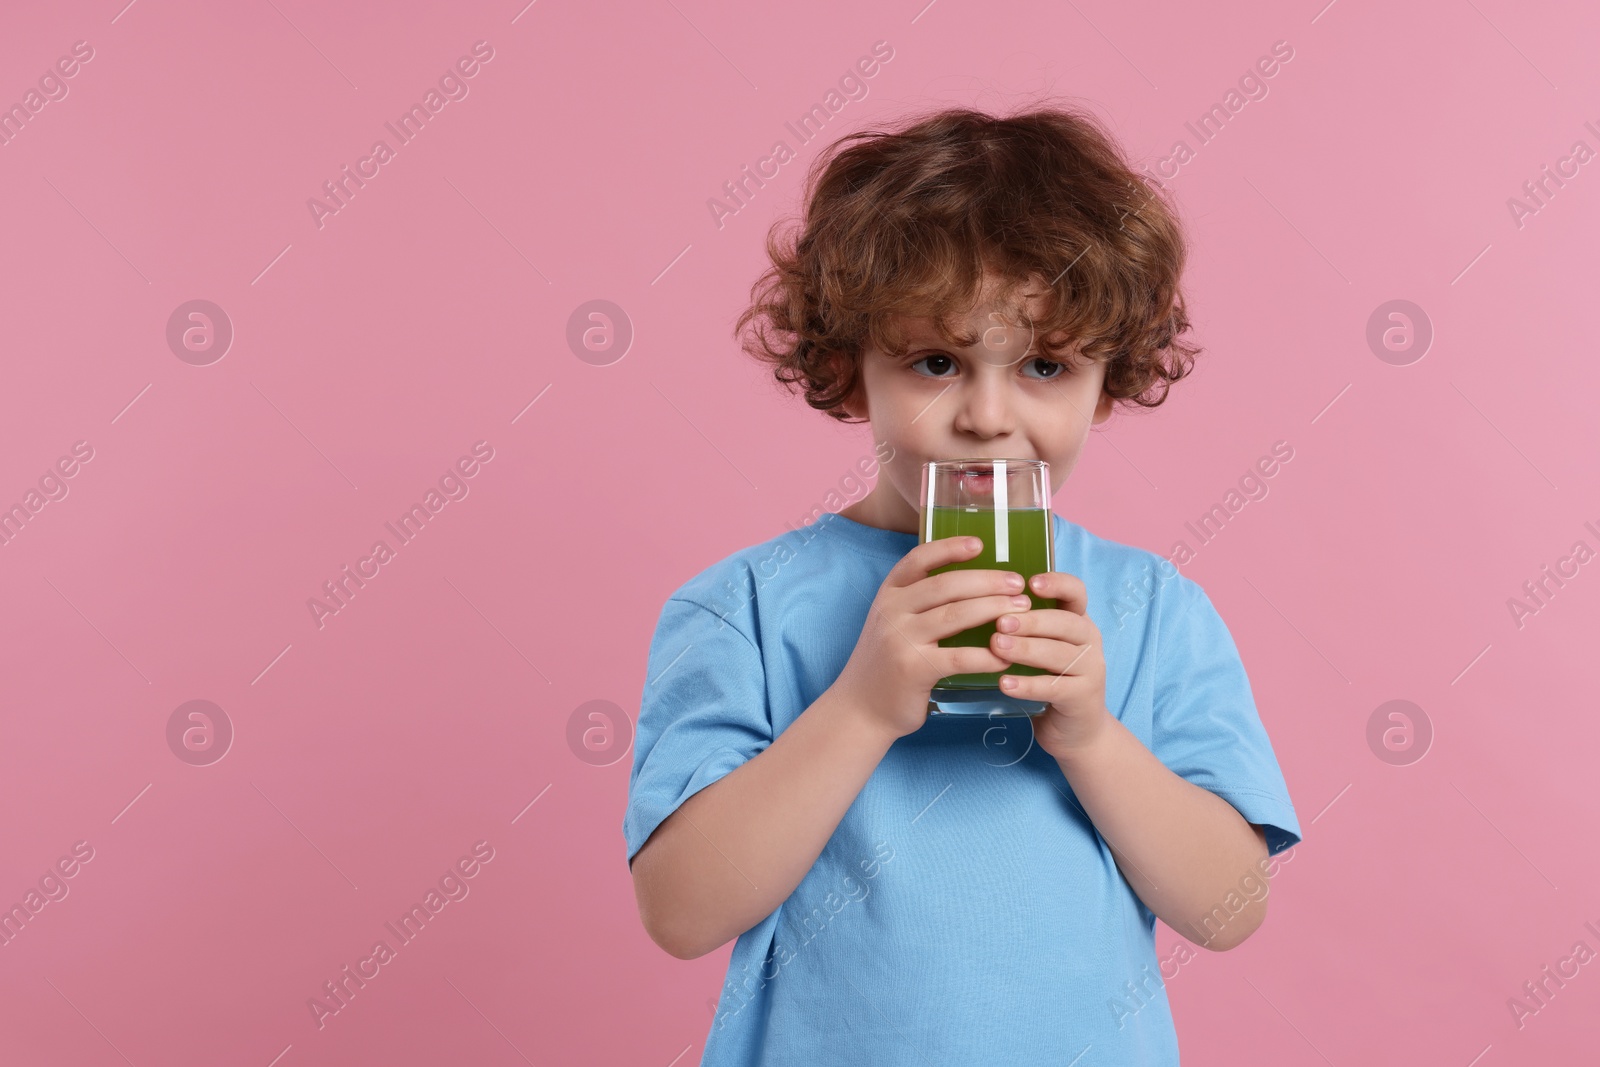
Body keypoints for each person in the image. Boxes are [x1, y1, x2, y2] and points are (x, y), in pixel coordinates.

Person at [623, 103, 1302, 1065]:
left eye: (1045, 366)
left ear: (1106, 385)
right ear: (846, 370)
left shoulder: (1155, 612)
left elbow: (1230, 910)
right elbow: (683, 911)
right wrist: (859, 707)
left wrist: (1093, 737)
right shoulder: (742, 609)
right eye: (935, 362)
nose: (988, 415)